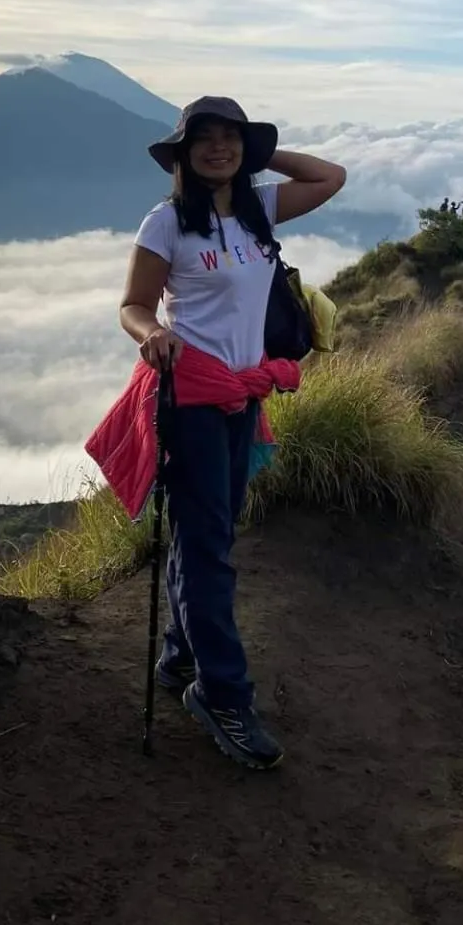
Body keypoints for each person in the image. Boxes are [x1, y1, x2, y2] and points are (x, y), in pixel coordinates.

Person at [118, 95, 346, 769]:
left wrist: (257, 150)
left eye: (230, 139)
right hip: (189, 399)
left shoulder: (257, 211)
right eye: (205, 140)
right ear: (183, 153)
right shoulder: (167, 224)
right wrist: (153, 331)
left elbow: (329, 177)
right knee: (209, 544)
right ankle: (221, 694)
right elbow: (132, 305)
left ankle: (181, 652)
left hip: (243, 400)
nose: (218, 149)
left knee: (209, 528)